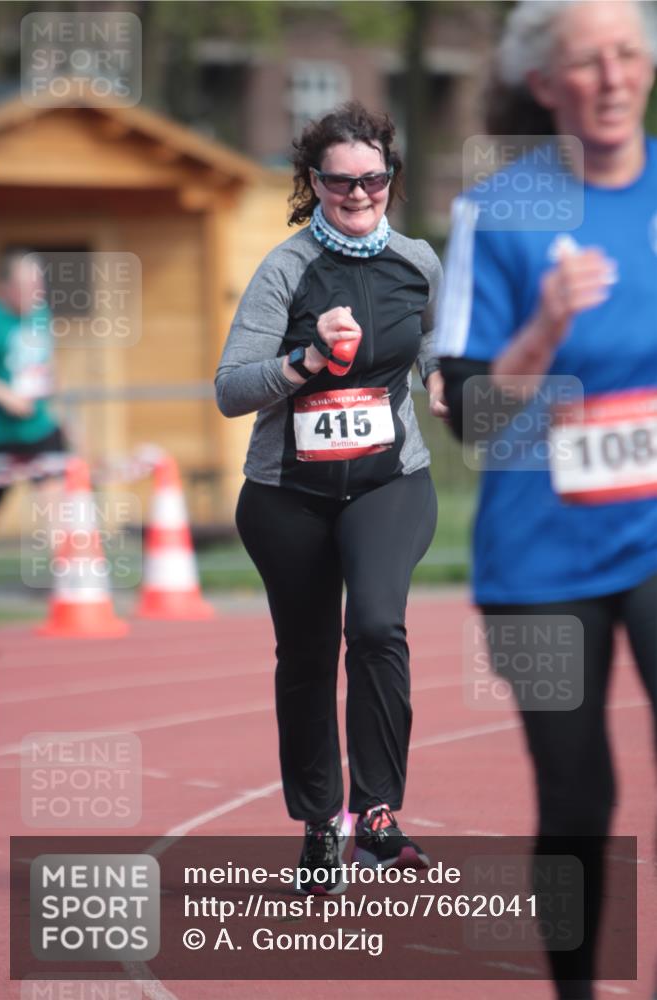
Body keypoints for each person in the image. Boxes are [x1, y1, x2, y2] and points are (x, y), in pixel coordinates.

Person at [434, 2, 656, 998]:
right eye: (586, 62)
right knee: (576, 794)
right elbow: (473, 419)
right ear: (544, 85)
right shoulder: (497, 212)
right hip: (536, 561)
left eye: (627, 55)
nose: (611, 78)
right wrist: (542, 331)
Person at [216, 101, 441, 893]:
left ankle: (376, 816)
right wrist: (308, 359)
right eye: (339, 181)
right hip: (290, 497)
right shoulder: (285, 270)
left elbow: (435, 340)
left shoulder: (417, 261)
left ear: (390, 179)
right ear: (314, 184)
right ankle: (321, 825)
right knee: (308, 655)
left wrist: (441, 378)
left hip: (388, 481)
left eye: (372, 178)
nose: (357, 193)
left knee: (377, 625)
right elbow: (230, 390)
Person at [0, 250, 67, 512]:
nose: (36, 292)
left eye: (38, 285)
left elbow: (46, 359)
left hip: (38, 427)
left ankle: (63, 553)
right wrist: (6, 396)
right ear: (6, 287)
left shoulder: (41, 315)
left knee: (55, 498)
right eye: (27, 286)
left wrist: (52, 383)